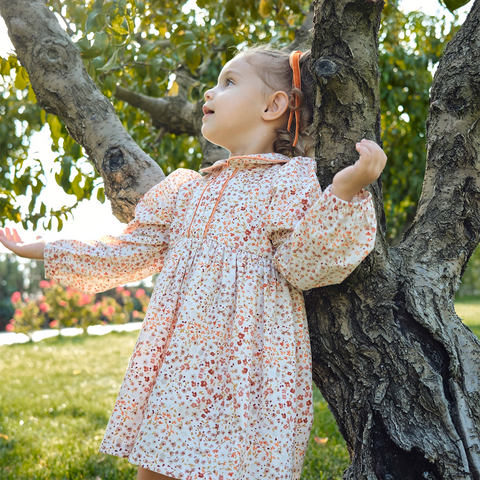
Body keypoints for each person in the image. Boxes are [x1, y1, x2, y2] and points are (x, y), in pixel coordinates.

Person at [0, 46, 386, 480]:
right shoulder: (186, 191)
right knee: (156, 467)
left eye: (229, 82)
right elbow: (130, 249)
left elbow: (303, 266)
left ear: (274, 105)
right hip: (179, 366)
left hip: (249, 365)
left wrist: (345, 190)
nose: (209, 91)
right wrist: (49, 248)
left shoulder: (289, 180)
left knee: (237, 466)